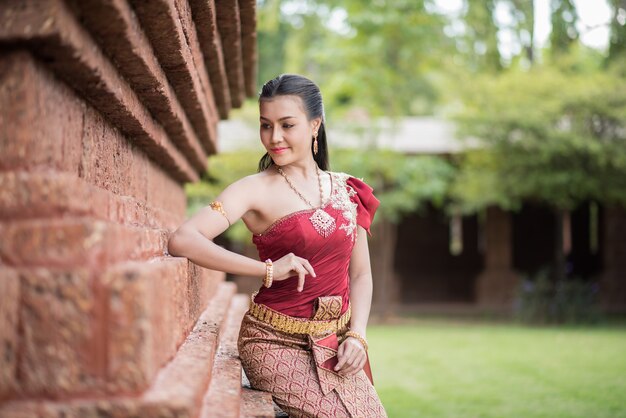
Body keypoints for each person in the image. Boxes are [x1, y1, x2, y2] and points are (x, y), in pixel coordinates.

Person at [167, 74, 387, 417]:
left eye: (287, 125)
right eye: (265, 125)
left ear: (315, 125)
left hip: (336, 341)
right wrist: (266, 269)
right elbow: (183, 239)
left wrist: (357, 335)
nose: (274, 137)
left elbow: (360, 275)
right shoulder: (253, 190)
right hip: (273, 341)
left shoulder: (348, 190)